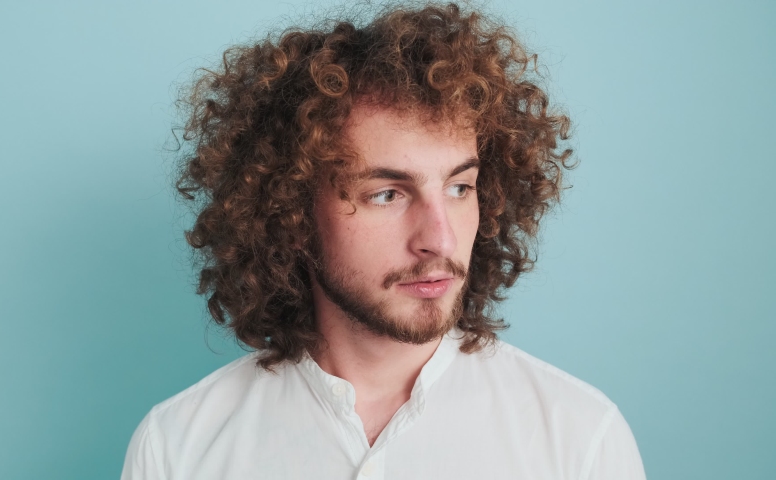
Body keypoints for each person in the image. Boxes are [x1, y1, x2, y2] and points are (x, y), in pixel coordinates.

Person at [121, 3, 646, 479]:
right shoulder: (178, 447)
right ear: (292, 212)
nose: (439, 238)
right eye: (387, 194)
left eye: (460, 187)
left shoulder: (579, 440)